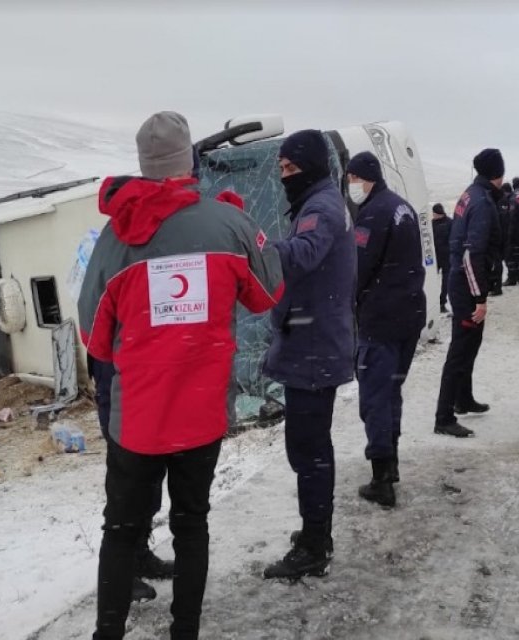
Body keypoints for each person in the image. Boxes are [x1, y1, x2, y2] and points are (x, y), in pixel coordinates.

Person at [78, 111, 283, 640]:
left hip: (138, 422)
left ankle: (108, 632)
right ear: (190, 160)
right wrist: (241, 233)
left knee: (121, 530)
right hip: (200, 414)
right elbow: (266, 294)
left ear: (144, 167)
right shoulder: (227, 224)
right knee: (192, 524)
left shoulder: (116, 238)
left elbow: (93, 336)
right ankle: (184, 631)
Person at [261, 129, 356, 581]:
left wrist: (255, 246)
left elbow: (302, 254)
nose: (284, 176)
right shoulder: (318, 200)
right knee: (308, 448)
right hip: (311, 345)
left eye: (291, 168)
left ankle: (316, 544)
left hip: (314, 350)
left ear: (312, 166)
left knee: (309, 449)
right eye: (280, 169)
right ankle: (316, 533)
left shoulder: (320, 207)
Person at [345, 151, 426, 509]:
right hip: (409, 314)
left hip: (381, 319)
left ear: (365, 178)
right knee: (391, 392)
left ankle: (381, 478)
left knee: (375, 398)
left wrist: (345, 301)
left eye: (352, 179)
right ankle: (389, 463)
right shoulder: (401, 206)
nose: (351, 187)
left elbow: (358, 269)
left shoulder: (373, 213)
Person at [87, 357, 169, 604]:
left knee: (151, 487)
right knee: (124, 502)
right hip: (117, 372)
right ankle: (121, 578)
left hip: (144, 376)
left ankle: (140, 556)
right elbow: (95, 336)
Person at [433, 149, 503, 438]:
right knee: (460, 350)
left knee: (471, 343)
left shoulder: (470, 193)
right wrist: (480, 299)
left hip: (462, 281)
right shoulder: (483, 203)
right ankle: (444, 416)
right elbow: (470, 256)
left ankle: (464, 398)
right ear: (497, 173)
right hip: (466, 285)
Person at [504, 177, 519, 286]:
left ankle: (512, 276)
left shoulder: (513, 198)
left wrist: (510, 232)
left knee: (511, 253)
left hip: (515, 229)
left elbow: (512, 216)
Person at [431, 203, 452, 314]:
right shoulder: (431, 224)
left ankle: (442, 303)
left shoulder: (449, 222)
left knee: (446, 282)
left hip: (447, 257)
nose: (433, 215)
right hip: (435, 257)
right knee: (431, 280)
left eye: (434, 213)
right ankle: (432, 303)